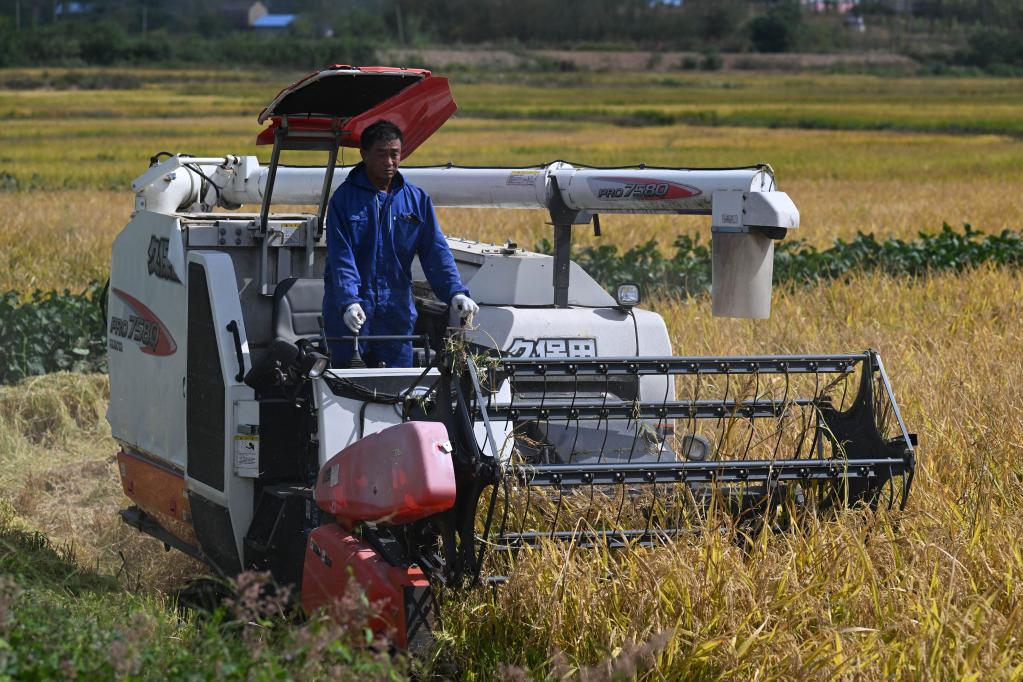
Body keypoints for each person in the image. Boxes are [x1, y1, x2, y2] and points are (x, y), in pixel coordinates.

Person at [323, 119, 478, 368]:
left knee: (398, 394)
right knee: (347, 391)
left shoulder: (416, 200)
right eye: (381, 154)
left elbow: (435, 252)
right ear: (364, 154)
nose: (389, 162)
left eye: (394, 154)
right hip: (353, 315)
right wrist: (349, 301)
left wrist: (455, 292)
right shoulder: (344, 200)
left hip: (396, 313)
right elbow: (342, 258)